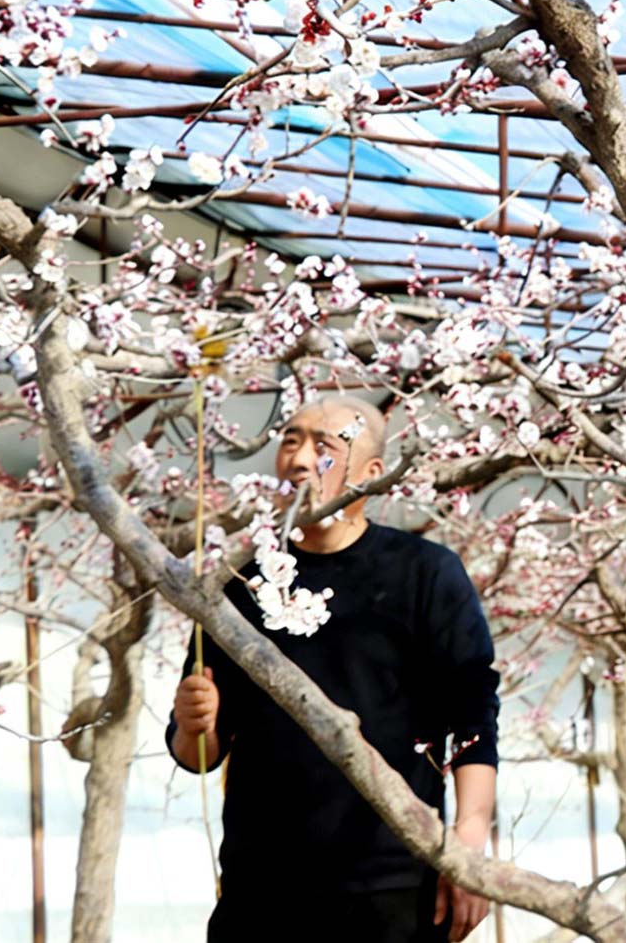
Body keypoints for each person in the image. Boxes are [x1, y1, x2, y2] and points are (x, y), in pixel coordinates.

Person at [168, 396, 500, 943]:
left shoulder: (425, 573)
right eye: (290, 440)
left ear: (371, 474)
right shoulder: (238, 581)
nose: (298, 458)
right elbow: (199, 755)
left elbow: (472, 716)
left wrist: (468, 842)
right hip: (260, 891)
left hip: (393, 888)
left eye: (323, 445)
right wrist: (190, 724)